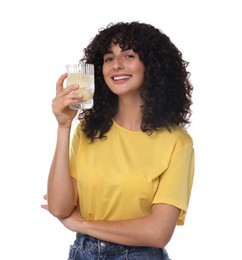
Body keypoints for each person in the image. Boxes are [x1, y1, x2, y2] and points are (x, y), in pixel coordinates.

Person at [41, 21, 195, 260]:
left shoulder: (177, 142)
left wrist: (82, 224)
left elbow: (158, 233)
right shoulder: (87, 130)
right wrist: (64, 126)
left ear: (151, 66)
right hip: (82, 253)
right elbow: (59, 208)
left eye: (129, 55)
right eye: (109, 58)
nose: (116, 66)